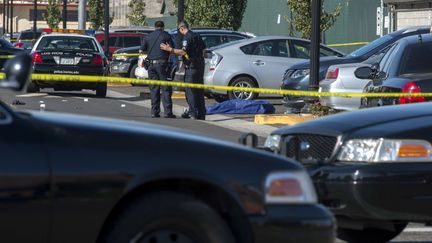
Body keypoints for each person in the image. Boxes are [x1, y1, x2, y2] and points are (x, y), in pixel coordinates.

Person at [160, 20, 206, 120]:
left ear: (182, 28)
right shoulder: (197, 35)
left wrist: (170, 49)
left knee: (190, 91)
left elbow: (182, 51)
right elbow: (204, 50)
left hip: (191, 68)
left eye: (179, 30)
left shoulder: (187, 37)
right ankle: (201, 114)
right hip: (200, 66)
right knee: (199, 91)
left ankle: (193, 113)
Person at [140, 20, 176, 118]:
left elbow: (141, 50)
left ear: (155, 27)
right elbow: (172, 49)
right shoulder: (167, 36)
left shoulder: (148, 37)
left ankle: (154, 112)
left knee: (154, 89)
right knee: (165, 89)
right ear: (163, 27)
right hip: (162, 65)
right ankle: (168, 112)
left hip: (151, 65)